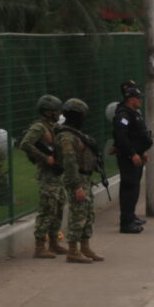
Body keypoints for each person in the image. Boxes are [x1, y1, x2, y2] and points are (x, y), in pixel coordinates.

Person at [55, 98, 105, 264]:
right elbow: (69, 162)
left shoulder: (76, 133)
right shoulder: (67, 137)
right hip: (76, 179)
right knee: (78, 214)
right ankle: (73, 250)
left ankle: (85, 247)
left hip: (85, 178)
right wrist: (76, 187)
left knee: (88, 214)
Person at [19, 95, 68, 259]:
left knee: (59, 205)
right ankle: (40, 246)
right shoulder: (39, 127)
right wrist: (44, 157)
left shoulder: (52, 126)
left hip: (56, 174)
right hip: (47, 175)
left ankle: (54, 242)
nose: (58, 113)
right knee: (48, 208)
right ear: (48, 112)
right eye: (55, 110)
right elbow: (25, 144)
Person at [112, 86, 153, 234]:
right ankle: (126, 222)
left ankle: (131, 216)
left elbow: (136, 135)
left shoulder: (133, 113)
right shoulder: (123, 115)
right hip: (128, 158)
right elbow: (122, 137)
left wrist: (141, 153)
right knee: (129, 188)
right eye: (138, 98)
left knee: (134, 187)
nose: (140, 100)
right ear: (131, 99)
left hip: (137, 155)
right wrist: (132, 154)